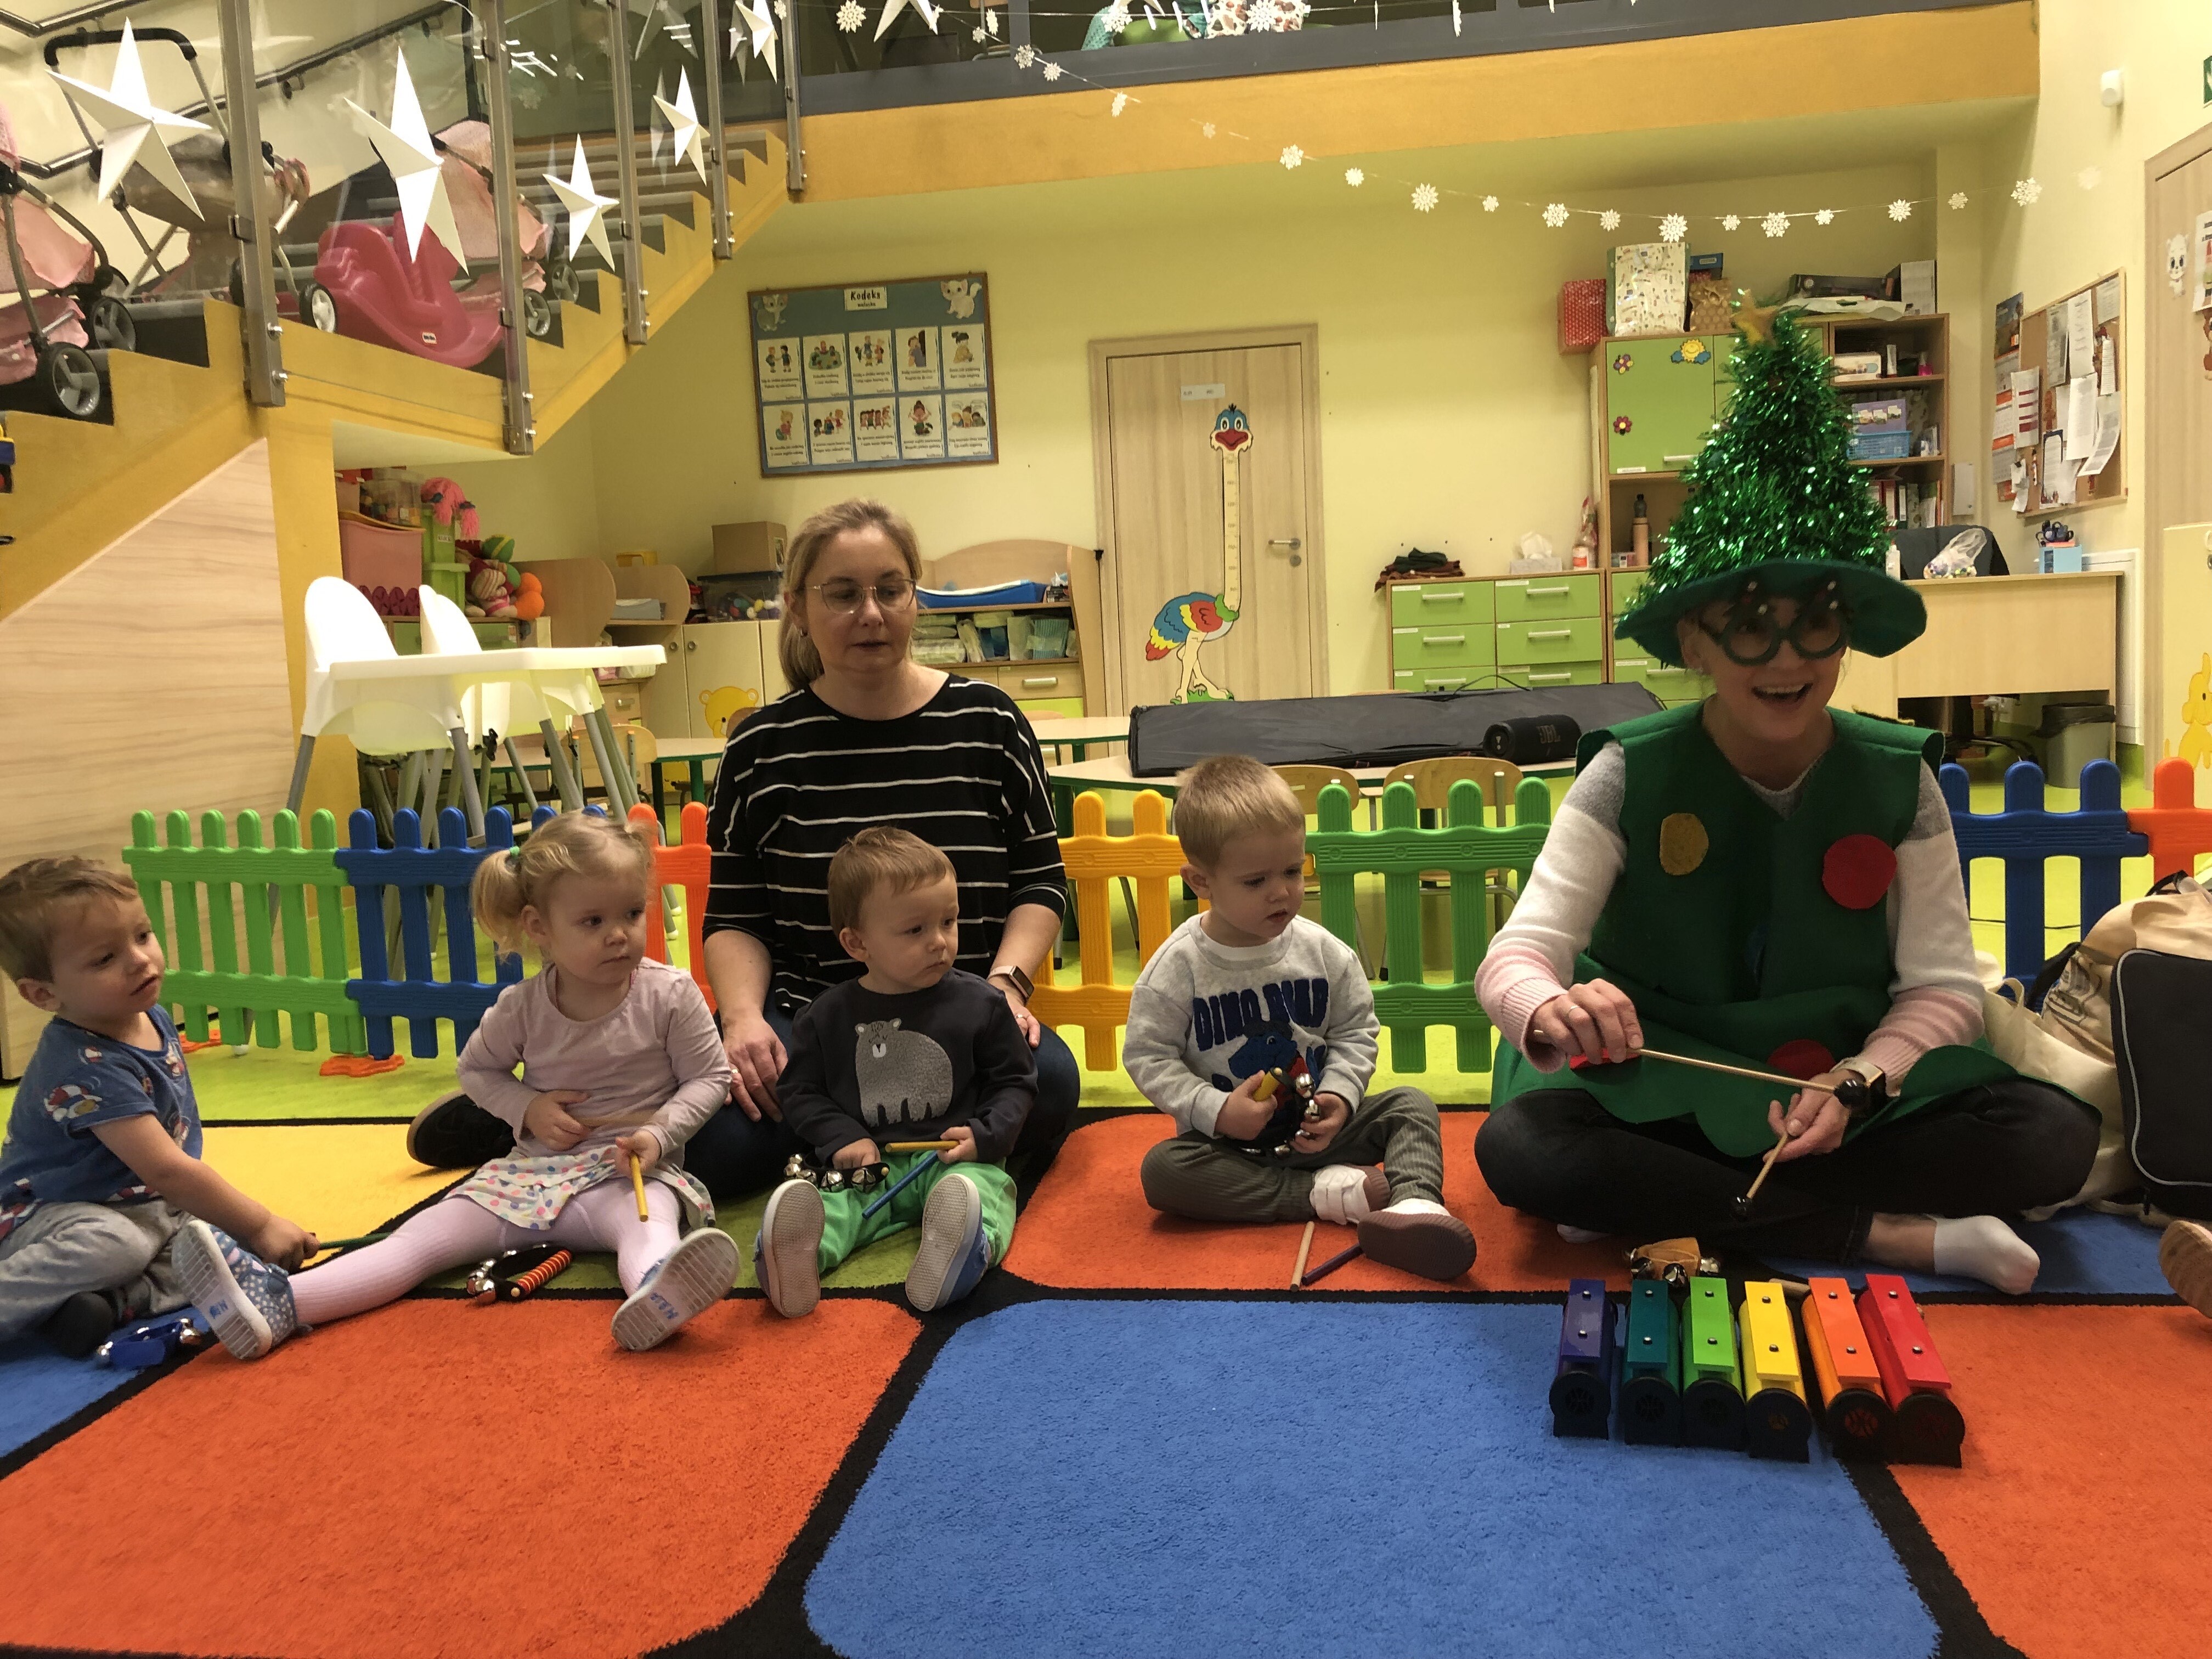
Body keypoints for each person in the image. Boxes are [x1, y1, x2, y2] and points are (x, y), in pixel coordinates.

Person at [1473, 306, 2098, 1296]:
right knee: (1521, 1146)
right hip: (1660, 1082)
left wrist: (1858, 1079)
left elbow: (1942, 988)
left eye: (1815, 625)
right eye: (1750, 626)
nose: (1788, 660)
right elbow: (1515, 957)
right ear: (1695, 640)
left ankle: (1678, 1201)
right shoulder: (1628, 772)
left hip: (1843, 1091)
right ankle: (1885, 1235)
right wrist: (1551, 1008)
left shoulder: (1897, 778)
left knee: (2050, 1134)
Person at [404, 500, 1079, 1204]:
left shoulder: (989, 722)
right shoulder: (761, 747)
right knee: (718, 1156)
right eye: (842, 594)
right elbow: (736, 917)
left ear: (915, 597)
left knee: (1052, 1088)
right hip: (814, 1022)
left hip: (963, 1011)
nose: (871, 613)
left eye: (890, 589)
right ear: (798, 607)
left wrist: (1006, 987)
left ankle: (840, 1131)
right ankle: (530, 1120)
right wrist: (745, 1020)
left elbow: (1039, 881)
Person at [176, 813, 739, 1360]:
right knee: (417, 1241)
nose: (620, 935)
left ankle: (657, 1291)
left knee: (649, 1225)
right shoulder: (522, 1008)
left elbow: (710, 1076)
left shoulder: (671, 994)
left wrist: (658, 1136)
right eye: (593, 922)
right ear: (539, 928)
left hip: (628, 1176)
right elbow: (477, 1071)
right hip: (531, 1178)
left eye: (633, 913)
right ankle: (282, 1302)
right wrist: (528, 1107)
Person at [1125, 756, 1477, 1279]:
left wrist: (1340, 1096)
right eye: (1255, 881)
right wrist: (1218, 1110)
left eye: (1293, 870)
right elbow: (1148, 1056)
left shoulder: (1324, 952)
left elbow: (1356, 1030)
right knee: (1162, 1172)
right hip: (1230, 1149)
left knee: (1411, 1105)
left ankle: (1415, 1205)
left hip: (1321, 1130)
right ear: (1201, 881)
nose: (1282, 891)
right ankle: (1317, 1194)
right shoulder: (1178, 967)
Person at [0, 859, 319, 1357]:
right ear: (44, 993)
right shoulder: (84, 1065)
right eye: (104, 959)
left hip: (141, 1205)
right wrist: (259, 1224)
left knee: (213, 1246)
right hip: (46, 1215)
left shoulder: (147, 1013)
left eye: (143, 936)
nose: (139, 961)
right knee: (122, 1245)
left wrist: (246, 1231)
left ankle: (112, 1303)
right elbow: (168, 1169)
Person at [755, 828, 1032, 1317]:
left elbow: (1014, 1082)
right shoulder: (825, 1017)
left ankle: (962, 1248)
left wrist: (986, 1134)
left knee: (981, 1191)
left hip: (952, 1157)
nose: (940, 942)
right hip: (868, 1167)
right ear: (856, 942)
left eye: (949, 921)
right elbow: (800, 1091)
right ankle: (794, 1256)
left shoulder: (982, 1004)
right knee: (835, 1204)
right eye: (915, 930)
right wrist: (842, 1137)